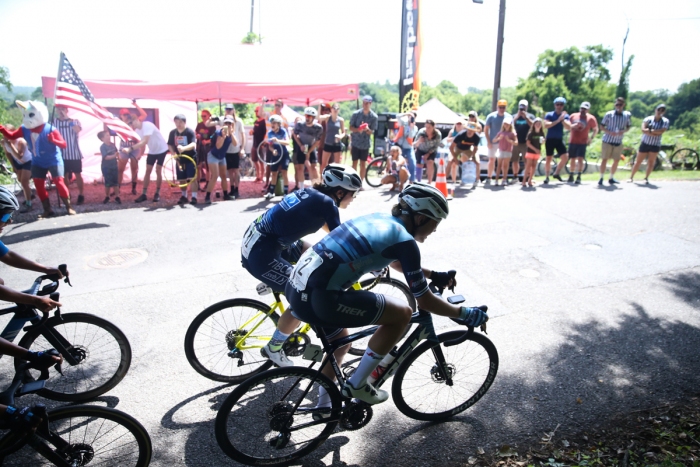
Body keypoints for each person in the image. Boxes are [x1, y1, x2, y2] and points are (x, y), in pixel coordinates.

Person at [284, 183, 488, 404]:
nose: (435, 229)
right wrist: (464, 313)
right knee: (402, 313)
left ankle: (324, 405)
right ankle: (358, 384)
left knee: (341, 344)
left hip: (296, 289)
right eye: (435, 222)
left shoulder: (380, 220)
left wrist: (433, 275)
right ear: (421, 219)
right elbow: (426, 301)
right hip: (319, 298)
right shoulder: (406, 242)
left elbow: (397, 263)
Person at [244, 164, 361, 368]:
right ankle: (273, 348)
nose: (353, 199)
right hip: (262, 254)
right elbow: (340, 239)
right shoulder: (327, 204)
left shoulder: (312, 194)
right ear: (340, 192)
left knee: (313, 255)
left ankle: (276, 280)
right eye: (353, 194)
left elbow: (331, 232)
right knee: (304, 293)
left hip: (264, 243)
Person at [126, 117, 169, 203]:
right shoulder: (137, 131)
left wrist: (130, 149)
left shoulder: (147, 125)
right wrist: (140, 155)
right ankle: (144, 194)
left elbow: (145, 141)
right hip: (152, 151)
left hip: (162, 149)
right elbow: (143, 144)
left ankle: (157, 193)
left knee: (158, 170)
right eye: (130, 123)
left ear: (138, 119)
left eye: (132, 122)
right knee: (148, 171)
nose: (132, 124)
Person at [629, 104, 670, 184]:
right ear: (656, 110)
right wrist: (654, 132)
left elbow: (661, 131)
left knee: (651, 162)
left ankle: (646, 178)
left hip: (655, 144)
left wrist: (651, 131)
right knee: (638, 161)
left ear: (664, 112)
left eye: (662, 110)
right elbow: (643, 129)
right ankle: (631, 177)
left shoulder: (665, 121)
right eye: (659, 110)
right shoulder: (648, 119)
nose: (660, 112)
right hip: (645, 143)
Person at [53, 105, 85, 205]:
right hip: (61, 153)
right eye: (59, 109)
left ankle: (81, 194)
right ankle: (67, 194)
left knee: (78, 174)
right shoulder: (54, 122)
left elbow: (77, 130)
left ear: (67, 110)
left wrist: (66, 118)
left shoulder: (75, 121)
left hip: (74, 153)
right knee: (64, 175)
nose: (60, 111)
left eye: (63, 109)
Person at [599, 97, 632, 186]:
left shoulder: (626, 115)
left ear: (623, 105)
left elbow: (629, 126)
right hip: (607, 140)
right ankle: (601, 177)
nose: (618, 106)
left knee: (616, 160)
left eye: (620, 105)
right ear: (615, 105)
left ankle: (611, 177)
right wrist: (609, 132)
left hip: (618, 141)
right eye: (617, 104)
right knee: (604, 159)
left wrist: (623, 131)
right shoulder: (609, 114)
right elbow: (601, 126)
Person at [0, 125, 33, 212]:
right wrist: (13, 166)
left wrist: (10, 145)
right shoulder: (3, 142)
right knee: (20, 180)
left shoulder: (21, 141)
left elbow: (19, 155)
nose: (6, 136)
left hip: (28, 161)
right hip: (18, 163)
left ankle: (29, 204)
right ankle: (30, 194)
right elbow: (8, 154)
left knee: (24, 182)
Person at [167, 114, 198, 205]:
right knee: (181, 178)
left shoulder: (189, 132)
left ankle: (194, 197)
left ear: (184, 122)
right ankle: (184, 196)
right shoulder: (173, 132)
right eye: (176, 122)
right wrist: (174, 154)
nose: (178, 124)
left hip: (190, 157)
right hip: (179, 159)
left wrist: (184, 148)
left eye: (180, 122)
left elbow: (193, 144)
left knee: (192, 178)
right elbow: (170, 145)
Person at [349, 96, 378, 187]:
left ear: (370, 104)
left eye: (367, 103)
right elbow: (350, 127)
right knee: (354, 163)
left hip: (365, 144)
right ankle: (353, 182)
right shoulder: (356, 114)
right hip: (355, 142)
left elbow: (372, 132)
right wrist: (358, 129)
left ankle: (360, 183)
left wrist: (367, 129)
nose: (365, 105)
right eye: (364, 103)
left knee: (363, 164)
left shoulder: (374, 117)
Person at [205, 116, 235, 204]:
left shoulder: (231, 133)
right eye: (226, 123)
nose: (228, 125)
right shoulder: (219, 132)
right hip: (213, 155)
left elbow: (235, 143)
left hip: (221, 157)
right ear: (223, 124)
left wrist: (231, 133)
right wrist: (223, 136)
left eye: (230, 123)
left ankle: (225, 194)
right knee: (215, 176)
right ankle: (207, 196)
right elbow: (218, 146)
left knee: (224, 176)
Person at [292, 107, 323, 190]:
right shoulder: (299, 125)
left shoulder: (318, 127)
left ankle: (317, 186)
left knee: (314, 167)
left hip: (311, 146)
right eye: (306, 116)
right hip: (302, 145)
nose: (307, 118)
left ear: (313, 118)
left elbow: (317, 140)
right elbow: (295, 134)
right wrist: (300, 145)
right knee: (300, 168)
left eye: (309, 116)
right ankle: (301, 188)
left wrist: (309, 151)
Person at [567, 101, 598, 184]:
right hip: (573, 140)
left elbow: (595, 129)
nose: (583, 110)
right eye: (582, 108)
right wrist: (574, 126)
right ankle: (571, 174)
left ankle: (579, 175)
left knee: (580, 159)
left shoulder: (591, 118)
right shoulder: (573, 116)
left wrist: (591, 138)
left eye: (585, 109)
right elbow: (567, 126)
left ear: (588, 110)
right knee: (572, 159)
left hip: (582, 141)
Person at [116, 108, 145, 196]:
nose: (126, 116)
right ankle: (118, 189)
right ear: (120, 116)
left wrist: (136, 105)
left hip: (134, 147)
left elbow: (144, 115)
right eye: (124, 115)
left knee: (134, 169)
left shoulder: (133, 122)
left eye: (127, 114)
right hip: (124, 147)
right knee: (120, 169)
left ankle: (134, 188)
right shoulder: (118, 124)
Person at [543, 97, 571, 184]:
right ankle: (547, 176)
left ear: (563, 106)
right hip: (550, 139)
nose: (559, 106)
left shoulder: (565, 116)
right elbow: (546, 125)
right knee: (548, 159)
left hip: (559, 139)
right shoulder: (550, 115)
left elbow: (568, 126)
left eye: (561, 104)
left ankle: (556, 172)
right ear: (555, 105)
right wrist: (557, 120)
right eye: (557, 104)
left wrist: (562, 120)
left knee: (565, 157)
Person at [263, 115, 291, 200]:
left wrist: (278, 140)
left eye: (274, 123)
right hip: (276, 154)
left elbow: (287, 142)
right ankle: (271, 192)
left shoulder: (283, 131)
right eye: (272, 123)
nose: (272, 124)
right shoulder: (270, 133)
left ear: (278, 124)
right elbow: (270, 146)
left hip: (284, 153)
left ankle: (286, 193)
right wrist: (273, 151)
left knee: (284, 172)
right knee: (273, 173)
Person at [484, 100, 512, 184]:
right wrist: (488, 142)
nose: (502, 109)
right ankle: (489, 177)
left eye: (503, 107)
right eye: (500, 107)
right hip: (493, 142)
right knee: (492, 159)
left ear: (506, 107)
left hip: (505, 143)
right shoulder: (491, 116)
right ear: (497, 107)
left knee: (504, 161)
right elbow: (486, 130)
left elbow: (512, 129)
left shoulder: (509, 117)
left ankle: (504, 178)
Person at [450, 120, 481, 189]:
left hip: (468, 149)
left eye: (471, 130)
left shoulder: (477, 137)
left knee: (477, 163)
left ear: (474, 131)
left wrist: (473, 156)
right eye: (468, 130)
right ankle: (449, 180)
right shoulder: (461, 135)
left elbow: (475, 148)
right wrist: (455, 158)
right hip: (458, 148)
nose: (469, 132)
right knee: (451, 161)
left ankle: (477, 180)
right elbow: (451, 147)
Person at [224, 106, 245, 200]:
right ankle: (231, 188)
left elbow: (243, 135)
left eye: (230, 109)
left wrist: (242, 148)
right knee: (230, 171)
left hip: (236, 149)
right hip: (227, 150)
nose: (228, 111)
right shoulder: (223, 120)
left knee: (236, 170)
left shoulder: (239, 121)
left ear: (233, 110)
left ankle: (237, 189)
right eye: (227, 109)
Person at [318, 103, 346, 173]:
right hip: (328, 142)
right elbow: (318, 117)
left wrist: (340, 136)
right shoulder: (328, 117)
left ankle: (336, 180)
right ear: (331, 109)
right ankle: (322, 180)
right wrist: (319, 106)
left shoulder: (341, 120)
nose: (335, 110)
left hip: (337, 143)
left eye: (337, 109)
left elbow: (343, 132)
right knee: (324, 163)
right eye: (334, 108)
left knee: (337, 164)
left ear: (339, 110)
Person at [413, 119, 442, 184]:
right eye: (426, 127)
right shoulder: (421, 132)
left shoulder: (438, 134)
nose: (427, 129)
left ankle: (429, 181)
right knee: (419, 164)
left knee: (430, 162)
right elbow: (414, 144)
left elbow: (437, 146)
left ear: (433, 127)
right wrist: (419, 141)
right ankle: (418, 181)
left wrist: (428, 154)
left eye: (429, 127)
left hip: (431, 150)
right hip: (421, 149)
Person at [512, 100, 534, 184]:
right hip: (516, 141)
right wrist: (517, 116)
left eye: (524, 107)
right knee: (515, 160)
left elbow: (534, 125)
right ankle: (515, 176)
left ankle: (528, 177)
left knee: (527, 161)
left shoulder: (530, 116)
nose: (522, 109)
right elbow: (509, 125)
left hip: (526, 142)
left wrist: (526, 117)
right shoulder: (514, 116)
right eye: (521, 107)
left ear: (527, 107)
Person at [392, 111, 417, 183]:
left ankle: (411, 180)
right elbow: (397, 116)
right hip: (401, 148)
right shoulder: (403, 124)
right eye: (410, 117)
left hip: (409, 148)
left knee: (412, 163)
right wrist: (406, 114)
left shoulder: (415, 128)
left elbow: (410, 136)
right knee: (397, 163)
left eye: (412, 117)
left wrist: (411, 127)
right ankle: (397, 180)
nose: (410, 118)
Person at [97, 131, 120, 204]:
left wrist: (118, 158)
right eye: (107, 135)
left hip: (114, 166)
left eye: (109, 135)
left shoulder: (113, 145)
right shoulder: (102, 147)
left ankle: (117, 196)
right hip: (106, 167)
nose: (109, 136)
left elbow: (117, 153)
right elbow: (106, 157)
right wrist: (114, 156)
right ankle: (107, 196)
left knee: (116, 182)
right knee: (107, 183)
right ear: (102, 138)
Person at [493, 118, 517, 186]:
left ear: (510, 125)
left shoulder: (512, 133)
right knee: (499, 165)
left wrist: (509, 140)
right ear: (503, 124)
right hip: (500, 150)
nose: (506, 125)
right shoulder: (500, 132)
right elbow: (494, 140)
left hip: (508, 151)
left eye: (507, 124)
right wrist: (498, 138)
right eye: (505, 124)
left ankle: (504, 179)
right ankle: (496, 180)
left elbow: (516, 142)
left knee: (505, 166)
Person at [195, 109, 215, 187]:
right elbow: (196, 132)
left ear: (209, 116)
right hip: (199, 146)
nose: (203, 117)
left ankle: (207, 182)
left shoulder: (212, 126)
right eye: (202, 116)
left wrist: (207, 141)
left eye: (204, 116)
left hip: (208, 147)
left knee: (207, 166)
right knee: (198, 165)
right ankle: (198, 182)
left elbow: (213, 137)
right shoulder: (199, 125)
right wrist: (197, 136)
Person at [523, 118, 545, 187]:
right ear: (534, 125)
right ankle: (524, 181)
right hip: (530, 151)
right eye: (536, 124)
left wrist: (543, 141)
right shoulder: (531, 133)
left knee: (534, 166)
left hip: (537, 152)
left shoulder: (541, 133)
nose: (538, 125)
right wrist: (535, 149)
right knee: (528, 166)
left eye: (539, 124)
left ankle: (530, 180)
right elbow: (528, 143)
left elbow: (541, 143)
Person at [250, 106, 267, 183]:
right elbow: (255, 131)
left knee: (261, 161)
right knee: (255, 160)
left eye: (257, 111)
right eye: (255, 111)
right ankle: (258, 176)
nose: (256, 112)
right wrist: (252, 132)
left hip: (261, 144)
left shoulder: (264, 122)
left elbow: (265, 133)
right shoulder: (256, 121)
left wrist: (263, 143)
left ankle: (262, 177)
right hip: (255, 143)